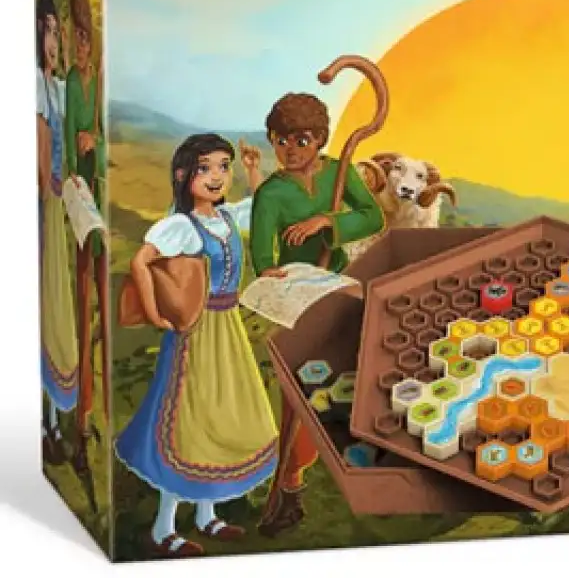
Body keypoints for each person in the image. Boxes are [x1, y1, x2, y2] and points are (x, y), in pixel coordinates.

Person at [115, 134, 277, 558]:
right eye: (205, 168)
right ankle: (163, 526)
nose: (217, 176)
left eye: (224, 166)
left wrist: (254, 171)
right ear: (183, 174)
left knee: (221, 414)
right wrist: (155, 313)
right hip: (197, 332)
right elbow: (141, 262)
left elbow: (263, 208)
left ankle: (207, 514)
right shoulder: (182, 226)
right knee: (191, 419)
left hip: (228, 329)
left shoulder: (225, 217)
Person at [250, 92, 384, 536]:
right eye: (281, 141)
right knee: (299, 387)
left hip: (337, 286)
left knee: (347, 373)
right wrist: (274, 277)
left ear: (320, 140)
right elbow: (262, 254)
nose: (290, 150)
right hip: (296, 297)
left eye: (301, 140)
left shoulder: (338, 176)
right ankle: (290, 484)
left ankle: (364, 454)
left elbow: (372, 218)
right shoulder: (271, 193)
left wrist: (329, 222)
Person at [64, 0, 108, 477]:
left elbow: (100, 138)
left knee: (101, 306)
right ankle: (82, 415)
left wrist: (95, 142)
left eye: (83, 37)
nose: (79, 46)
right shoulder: (74, 84)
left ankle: (97, 415)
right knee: (83, 306)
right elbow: (70, 140)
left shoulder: (100, 83)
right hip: (81, 202)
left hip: (102, 203)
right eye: (73, 37)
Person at [37, 0, 78, 465]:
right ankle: (45, 423)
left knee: (56, 307)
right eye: (47, 31)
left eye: (57, 32)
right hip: (40, 205)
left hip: (53, 204)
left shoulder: (60, 87)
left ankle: (52, 419)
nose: (54, 40)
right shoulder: (35, 83)